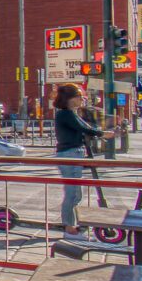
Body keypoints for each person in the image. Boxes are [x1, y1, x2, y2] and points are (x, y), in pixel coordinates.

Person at [53, 83, 103, 236]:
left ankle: (71, 224)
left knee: (76, 193)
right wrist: (102, 134)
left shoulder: (69, 113)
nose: (83, 99)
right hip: (70, 153)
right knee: (72, 192)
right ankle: (69, 227)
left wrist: (98, 132)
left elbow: (85, 127)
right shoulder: (66, 114)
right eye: (79, 97)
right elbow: (84, 128)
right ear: (70, 99)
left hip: (73, 153)